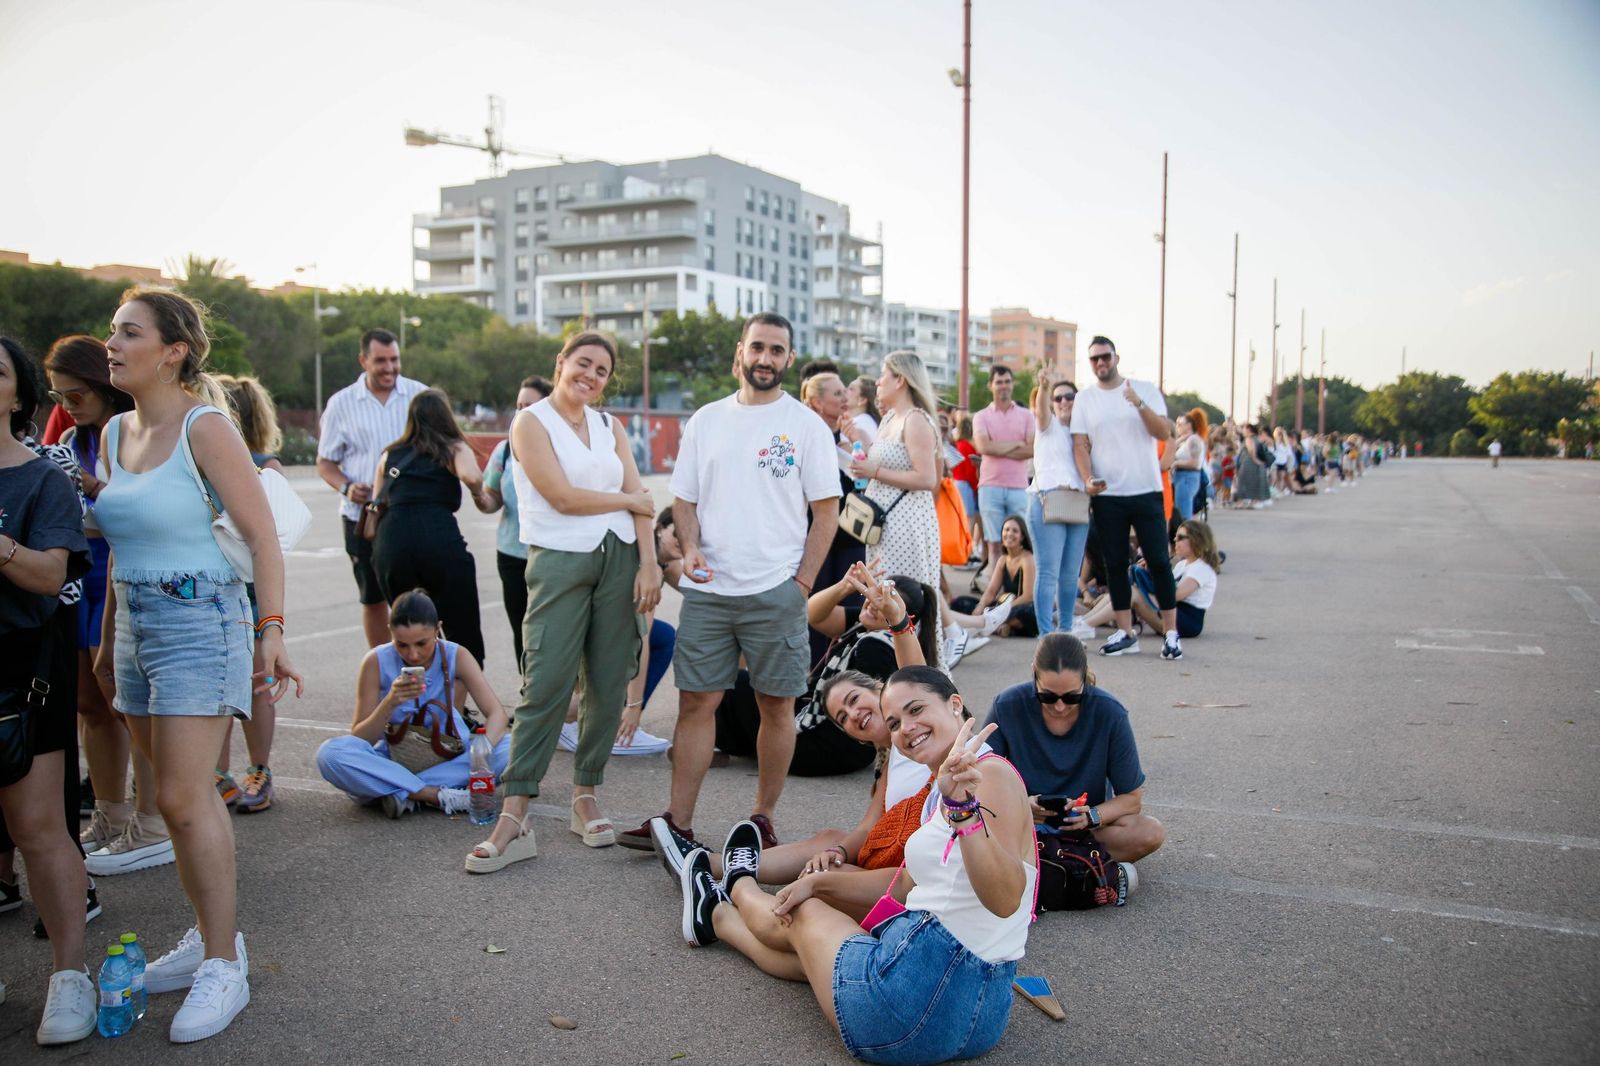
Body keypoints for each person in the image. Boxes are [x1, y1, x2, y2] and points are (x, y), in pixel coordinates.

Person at [92, 287, 303, 1042]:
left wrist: (270, 632)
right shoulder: (116, 432)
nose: (110, 344)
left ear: (173, 350)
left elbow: (264, 537)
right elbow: (120, 543)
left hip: (201, 620)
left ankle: (223, 963)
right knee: (179, 802)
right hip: (136, 625)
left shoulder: (205, 427)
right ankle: (209, 940)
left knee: (184, 799)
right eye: (113, 331)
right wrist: (111, 643)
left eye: (128, 333)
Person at [676, 667, 1036, 1065]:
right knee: (811, 936)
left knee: (805, 916)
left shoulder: (987, 776)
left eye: (917, 709)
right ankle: (717, 917)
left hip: (908, 1007)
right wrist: (820, 883)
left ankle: (738, 878)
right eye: (895, 722)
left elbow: (1004, 900)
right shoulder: (945, 789)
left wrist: (965, 813)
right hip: (981, 1016)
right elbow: (904, 887)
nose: (906, 729)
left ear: (954, 704)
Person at [618, 312, 840, 853]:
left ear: (789, 358)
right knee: (696, 703)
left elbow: (826, 513)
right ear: (740, 352)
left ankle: (762, 817)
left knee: (775, 705)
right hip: (711, 591)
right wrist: (689, 546)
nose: (766, 358)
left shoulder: (806, 425)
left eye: (777, 350)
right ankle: (678, 821)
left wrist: (802, 584)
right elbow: (685, 501)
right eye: (757, 347)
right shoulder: (707, 421)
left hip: (776, 590)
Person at [467, 332, 657, 871]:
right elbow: (562, 496)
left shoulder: (609, 426)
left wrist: (647, 563)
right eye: (583, 364)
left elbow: (642, 503)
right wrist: (625, 499)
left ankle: (585, 794)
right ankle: (515, 812)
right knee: (546, 682)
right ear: (561, 363)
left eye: (601, 370)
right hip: (558, 560)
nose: (591, 376)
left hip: (619, 561)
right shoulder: (531, 423)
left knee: (606, 681)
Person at [0, 336, 95, 1045]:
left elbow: (47, 575)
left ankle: (70, 977)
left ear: (20, 394)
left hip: (19, 674)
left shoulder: (42, 481)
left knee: (39, 831)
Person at [42, 336, 163, 860]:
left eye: (75, 395)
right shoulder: (68, 435)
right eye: (58, 396)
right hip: (79, 567)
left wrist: (90, 484)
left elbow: (140, 504)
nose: (66, 406)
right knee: (89, 699)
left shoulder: (131, 429)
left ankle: (152, 818)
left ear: (100, 385)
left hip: (123, 569)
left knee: (125, 699)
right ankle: (109, 813)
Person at [711, 563, 938, 779]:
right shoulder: (866, 625)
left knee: (737, 684)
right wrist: (844, 586)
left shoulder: (876, 645)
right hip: (829, 736)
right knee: (752, 683)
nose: (872, 603)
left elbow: (876, 713)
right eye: (872, 594)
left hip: (826, 747)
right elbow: (813, 614)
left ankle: (714, 742)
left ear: (902, 615)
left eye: (883, 602)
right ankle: (736, 743)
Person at [315, 589, 509, 816]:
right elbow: (360, 738)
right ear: (390, 633)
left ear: (438, 629)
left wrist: (481, 750)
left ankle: (396, 791)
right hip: (394, 759)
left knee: (515, 748)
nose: (413, 654)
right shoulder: (376, 661)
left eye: (421, 643)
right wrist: (390, 702)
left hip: (450, 758)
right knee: (330, 754)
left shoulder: (456, 655)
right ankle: (435, 796)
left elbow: (497, 714)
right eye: (402, 645)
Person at [985, 633, 1165, 875]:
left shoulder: (1109, 713)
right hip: (1024, 822)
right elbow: (982, 777)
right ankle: (1079, 865)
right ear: (1033, 674)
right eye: (1047, 696)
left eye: (1072, 697)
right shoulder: (1007, 705)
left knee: (1150, 832)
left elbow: (1132, 799)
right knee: (972, 826)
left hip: (1086, 828)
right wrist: (1020, 804)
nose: (1059, 706)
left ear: (1085, 680)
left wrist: (1091, 816)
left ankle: (1041, 863)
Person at [1072, 336, 1182, 660]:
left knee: (1159, 562)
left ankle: (1172, 634)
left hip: (1146, 489)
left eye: (1105, 356)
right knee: (1115, 564)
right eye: (1094, 359)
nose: (1101, 363)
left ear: (1116, 357)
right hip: (1109, 494)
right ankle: (1125, 632)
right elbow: (1080, 444)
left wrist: (1138, 403)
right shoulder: (1085, 399)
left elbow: (1163, 432)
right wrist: (1087, 478)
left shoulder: (1143, 389)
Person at [316, 328, 427, 649]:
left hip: (408, 515)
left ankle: (421, 668)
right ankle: (384, 668)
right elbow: (325, 463)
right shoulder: (341, 404)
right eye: (381, 361)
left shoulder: (419, 396)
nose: (389, 368)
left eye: (394, 360)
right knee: (373, 597)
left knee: (414, 597)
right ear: (363, 360)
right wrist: (347, 487)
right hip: (363, 518)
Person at [369, 388, 491, 668]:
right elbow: (473, 476)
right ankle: (456, 703)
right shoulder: (452, 447)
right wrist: (476, 493)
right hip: (436, 536)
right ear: (445, 417)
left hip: (392, 541)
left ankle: (408, 698)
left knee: (406, 625)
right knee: (461, 624)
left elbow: (378, 499)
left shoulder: (390, 455)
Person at [211, 374, 288, 814]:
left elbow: (274, 537)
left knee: (258, 680)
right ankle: (221, 773)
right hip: (216, 582)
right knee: (221, 685)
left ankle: (257, 770)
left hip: (251, 584)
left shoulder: (264, 464)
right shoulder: (201, 456)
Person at [843, 351, 943, 660]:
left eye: (883, 375)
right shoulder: (889, 419)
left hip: (906, 525)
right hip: (884, 525)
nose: (878, 381)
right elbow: (882, 461)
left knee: (903, 596)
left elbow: (927, 478)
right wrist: (858, 440)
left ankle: (917, 662)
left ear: (901, 380)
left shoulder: (915, 420)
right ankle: (886, 660)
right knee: (883, 592)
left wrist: (873, 471)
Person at [476, 374, 553, 664]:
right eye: (519, 406)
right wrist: (477, 493)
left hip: (549, 553)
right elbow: (491, 499)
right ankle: (529, 696)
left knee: (552, 629)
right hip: (512, 553)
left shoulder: (561, 448)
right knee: (521, 629)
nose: (521, 413)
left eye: (529, 406)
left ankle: (563, 698)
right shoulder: (505, 449)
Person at [800, 369, 864, 664]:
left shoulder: (848, 436)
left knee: (852, 608)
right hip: (819, 537)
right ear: (815, 401)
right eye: (837, 393)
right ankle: (812, 678)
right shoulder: (805, 436)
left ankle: (848, 670)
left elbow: (864, 483)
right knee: (815, 613)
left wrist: (857, 446)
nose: (845, 398)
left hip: (852, 535)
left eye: (845, 392)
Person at [1026, 370, 1094, 639]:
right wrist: (1043, 386)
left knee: (1070, 574)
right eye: (1059, 397)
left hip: (1077, 503)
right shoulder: (1048, 425)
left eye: (1070, 396)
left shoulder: (1084, 433)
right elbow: (1041, 411)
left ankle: (1065, 631)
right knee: (1048, 571)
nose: (1065, 401)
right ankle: (1045, 635)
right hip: (1047, 501)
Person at [973, 365, 1034, 578]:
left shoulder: (1027, 415)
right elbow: (983, 447)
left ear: (1013, 384)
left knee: (1022, 543)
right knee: (994, 544)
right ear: (991, 385)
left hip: (1018, 486)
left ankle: (1019, 586)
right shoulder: (981, 416)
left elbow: (1032, 449)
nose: (1004, 386)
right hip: (990, 486)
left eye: (1007, 381)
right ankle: (994, 589)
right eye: (999, 382)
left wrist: (997, 447)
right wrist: (1017, 444)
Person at [948, 413, 982, 565]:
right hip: (966, 485)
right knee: (969, 520)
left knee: (964, 520)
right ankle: (966, 551)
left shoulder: (958, 445)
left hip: (957, 482)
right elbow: (970, 472)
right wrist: (976, 487)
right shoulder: (968, 446)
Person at [1169, 414, 1206, 521]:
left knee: (1183, 513)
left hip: (1187, 476)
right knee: (1179, 511)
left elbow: (1195, 463)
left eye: (1180, 424)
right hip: (1182, 476)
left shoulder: (1193, 440)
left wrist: (1176, 464)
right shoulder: (1186, 439)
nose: (1177, 426)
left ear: (1189, 425)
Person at [845, 375, 878, 445]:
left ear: (862, 400)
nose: (845, 390)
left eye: (851, 389)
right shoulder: (865, 421)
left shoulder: (860, 423)